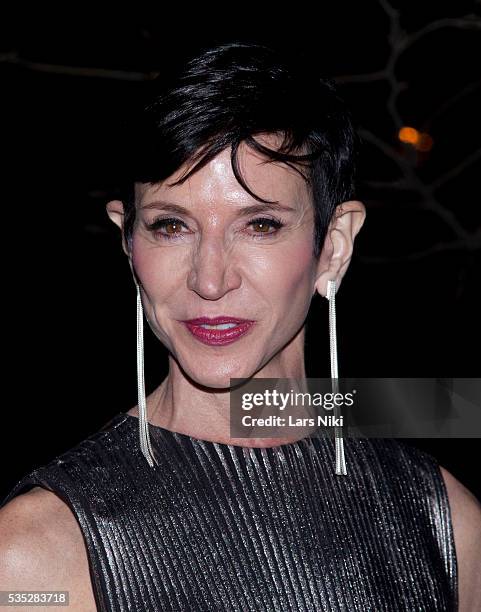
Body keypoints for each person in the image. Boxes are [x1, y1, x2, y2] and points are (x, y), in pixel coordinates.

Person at [1, 41, 480, 612]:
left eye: (260, 226)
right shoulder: (37, 550)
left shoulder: (443, 519)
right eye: (170, 226)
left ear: (333, 247)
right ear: (128, 243)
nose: (209, 280)